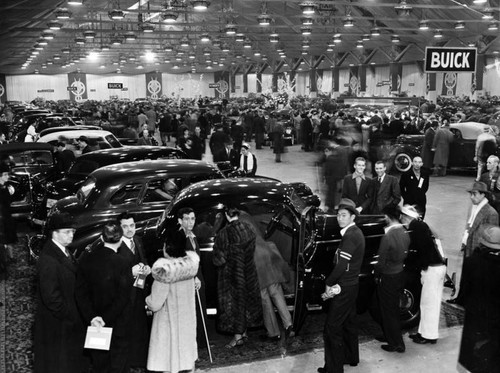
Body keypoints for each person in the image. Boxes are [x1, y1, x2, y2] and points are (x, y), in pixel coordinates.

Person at [75, 222, 134, 373]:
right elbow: (123, 297)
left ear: (101, 237)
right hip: (117, 324)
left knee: (99, 365)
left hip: (95, 326)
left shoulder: (86, 259)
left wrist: (93, 317)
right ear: (120, 239)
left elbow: (80, 293)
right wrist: (106, 318)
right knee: (118, 366)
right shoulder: (122, 263)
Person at [34, 212, 88, 373]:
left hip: (66, 321)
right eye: (67, 232)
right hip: (59, 324)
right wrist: (70, 315)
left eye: (72, 231)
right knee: (59, 363)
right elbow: (51, 297)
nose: (71, 235)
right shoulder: (49, 260)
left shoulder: (63, 250)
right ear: (54, 233)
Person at [318, 198, 365, 373]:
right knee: (349, 322)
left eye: (344, 215)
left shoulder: (351, 236)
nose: (339, 218)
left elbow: (341, 265)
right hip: (352, 285)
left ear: (353, 217)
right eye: (338, 215)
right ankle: (351, 357)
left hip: (344, 287)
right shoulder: (353, 233)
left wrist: (328, 283)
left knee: (331, 328)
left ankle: (334, 368)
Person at [238, 211, 294, 342]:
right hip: (267, 253)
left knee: (264, 297)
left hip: (255, 259)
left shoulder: (237, 223)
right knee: (276, 293)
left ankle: (273, 333)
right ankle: (289, 325)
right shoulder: (247, 215)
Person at [212, 205, 262, 348]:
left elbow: (219, 258)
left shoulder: (224, 233)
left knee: (234, 306)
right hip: (249, 272)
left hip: (232, 276)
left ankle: (237, 337)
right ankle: (244, 333)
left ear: (227, 216)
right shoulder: (249, 229)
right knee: (246, 303)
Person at [146, 247, 199, 373]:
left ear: (166, 248)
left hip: (168, 325)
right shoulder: (190, 268)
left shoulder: (164, 272)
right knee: (186, 362)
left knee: (169, 363)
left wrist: (146, 300)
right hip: (186, 323)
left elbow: (155, 303)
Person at [447, 181, 498, 306]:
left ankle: (471, 302)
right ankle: (461, 298)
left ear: (482, 195)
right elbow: (469, 225)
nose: (471, 197)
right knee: (465, 274)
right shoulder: (474, 207)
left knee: (476, 278)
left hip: (480, 251)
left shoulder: (491, 213)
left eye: (474, 194)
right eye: (471, 194)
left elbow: (492, 236)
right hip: (469, 245)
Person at [401, 205, 446, 345]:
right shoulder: (420, 225)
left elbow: (421, 251)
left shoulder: (416, 228)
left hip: (432, 269)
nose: (401, 218)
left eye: (402, 216)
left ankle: (428, 336)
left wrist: (411, 266)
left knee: (428, 304)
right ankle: (426, 333)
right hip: (437, 267)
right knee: (430, 304)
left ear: (407, 216)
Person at [458, 225, 500, 373]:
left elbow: (464, 291)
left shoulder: (471, 262)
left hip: (474, 315)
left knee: (469, 352)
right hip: (495, 317)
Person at [373, 205, 410, 353]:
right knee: (394, 308)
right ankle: (391, 336)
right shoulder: (404, 232)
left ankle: (395, 343)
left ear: (387, 217)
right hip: (399, 272)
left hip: (388, 276)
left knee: (388, 311)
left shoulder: (388, 236)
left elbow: (380, 261)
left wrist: (376, 275)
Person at [169, 207, 207, 348]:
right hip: (187, 279)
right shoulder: (178, 237)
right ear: (180, 220)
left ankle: (199, 342)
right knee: (189, 313)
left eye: (192, 218)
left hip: (197, 276)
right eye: (186, 219)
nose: (190, 222)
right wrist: (193, 277)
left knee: (199, 309)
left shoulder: (192, 235)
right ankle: (189, 345)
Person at [118, 212, 151, 369]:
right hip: (123, 296)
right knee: (126, 330)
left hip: (139, 292)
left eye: (132, 225)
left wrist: (146, 268)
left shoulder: (137, 240)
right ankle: (128, 363)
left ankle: (139, 361)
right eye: (125, 226)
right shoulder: (115, 245)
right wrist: (129, 273)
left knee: (140, 328)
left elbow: (142, 260)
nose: (129, 229)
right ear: (119, 228)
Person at [323, 143, 349, 212]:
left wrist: (325, 178)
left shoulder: (330, 159)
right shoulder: (340, 155)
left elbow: (327, 171)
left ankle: (330, 207)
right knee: (337, 193)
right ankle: (336, 207)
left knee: (331, 193)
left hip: (332, 179)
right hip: (339, 177)